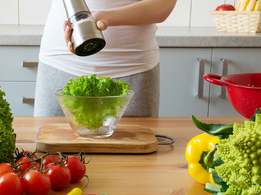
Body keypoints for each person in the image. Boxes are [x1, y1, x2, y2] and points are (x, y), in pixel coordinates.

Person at [34, 0, 177, 117]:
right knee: (48, 149)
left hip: (132, 69)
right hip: (60, 64)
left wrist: (106, 17)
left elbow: (164, 5)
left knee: (134, 149)